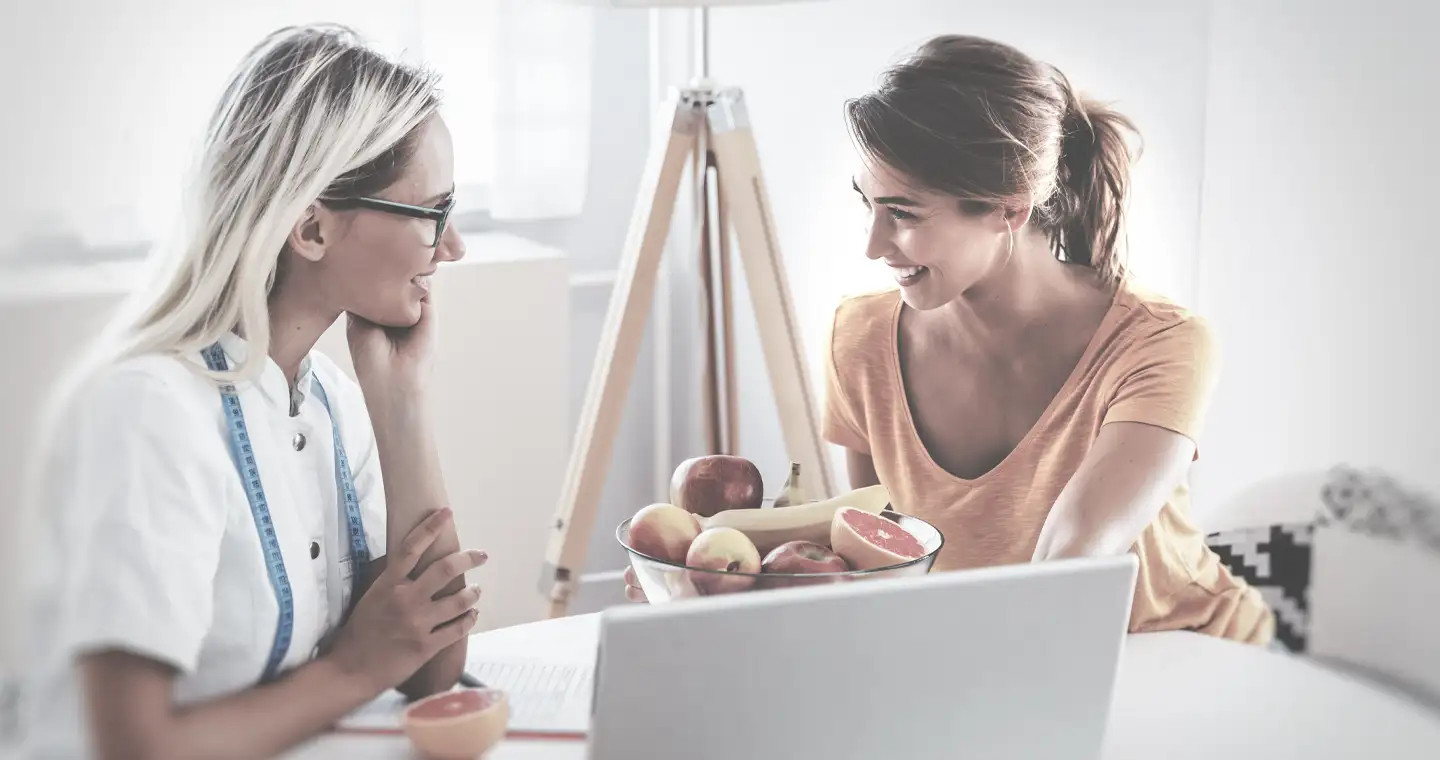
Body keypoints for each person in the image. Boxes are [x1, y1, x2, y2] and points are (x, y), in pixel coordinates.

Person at [627, 34, 1274, 645]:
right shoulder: (860, 339)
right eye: (869, 206)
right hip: (999, 665)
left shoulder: (1160, 344)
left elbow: (1070, 563)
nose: (875, 246)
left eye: (903, 214)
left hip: (1186, 656)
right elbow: (877, 558)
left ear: (1008, 208)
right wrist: (721, 583)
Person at [17, 25, 486, 759]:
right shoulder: (152, 413)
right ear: (313, 230)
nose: (452, 246)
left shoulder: (329, 398)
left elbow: (432, 671)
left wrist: (403, 404)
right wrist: (353, 666)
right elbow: (131, 748)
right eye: (433, 213)